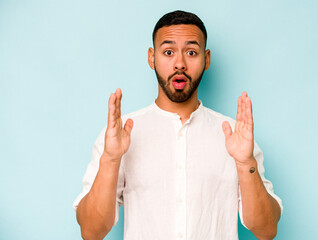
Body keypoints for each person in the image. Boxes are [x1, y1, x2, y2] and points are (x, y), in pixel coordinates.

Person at [73, 10, 282, 240]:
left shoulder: (236, 136)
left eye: (191, 52)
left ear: (206, 59)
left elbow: (266, 230)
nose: (179, 64)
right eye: (168, 52)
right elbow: (91, 231)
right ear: (152, 57)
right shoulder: (119, 136)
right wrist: (111, 159)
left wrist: (245, 163)